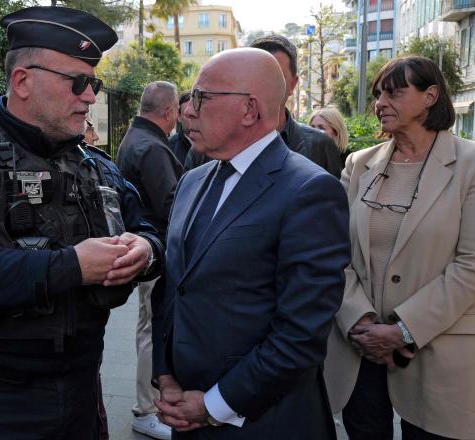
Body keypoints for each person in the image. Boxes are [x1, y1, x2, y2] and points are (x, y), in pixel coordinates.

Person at [0, 7, 163, 440]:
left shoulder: (97, 167)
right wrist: (72, 267)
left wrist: (145, 251)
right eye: (77, 82)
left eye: (94, 84)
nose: (89, 97)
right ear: (23, 81)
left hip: (85, 396)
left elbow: (153, 233)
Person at [152, 47, 350, 439]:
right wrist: (166, 375)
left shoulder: (309, 190)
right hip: (185, 411)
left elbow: (300, 335)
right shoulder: (193, 180)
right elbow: (175, 288)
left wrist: (212, 407)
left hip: (264, 421)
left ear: (250, 110)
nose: (187, 110)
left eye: (202, 97)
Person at [324, 56, 475, 440]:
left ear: (430, 96)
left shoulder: (469, 165)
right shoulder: (358, 165)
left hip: (437, 353)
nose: (380, 103)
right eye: (377, 95)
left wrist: (403, 329)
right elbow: (332, 254)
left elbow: (470, 266)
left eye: (394, 92)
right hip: (360, 353)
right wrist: (359, 320)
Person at [116, 81, 182, 440]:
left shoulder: (134, 138)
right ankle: (147, 408)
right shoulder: (153, 147)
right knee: (152, 330)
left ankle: (150, 404)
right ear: (169, 111)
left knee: (148, 327)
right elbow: (173, 206)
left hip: (143, 247)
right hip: (154, 251)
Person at [250, 35, 342, 178]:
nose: (264, 85)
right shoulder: (218, 145)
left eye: (276, 77)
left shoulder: (320, 146)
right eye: (255, 76)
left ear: (293, 84)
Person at [168, 91, 192, 166]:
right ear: (179, 116)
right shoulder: (169, 147)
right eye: (188, 115)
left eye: (198, 112)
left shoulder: (214, 146)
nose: (194, 118)